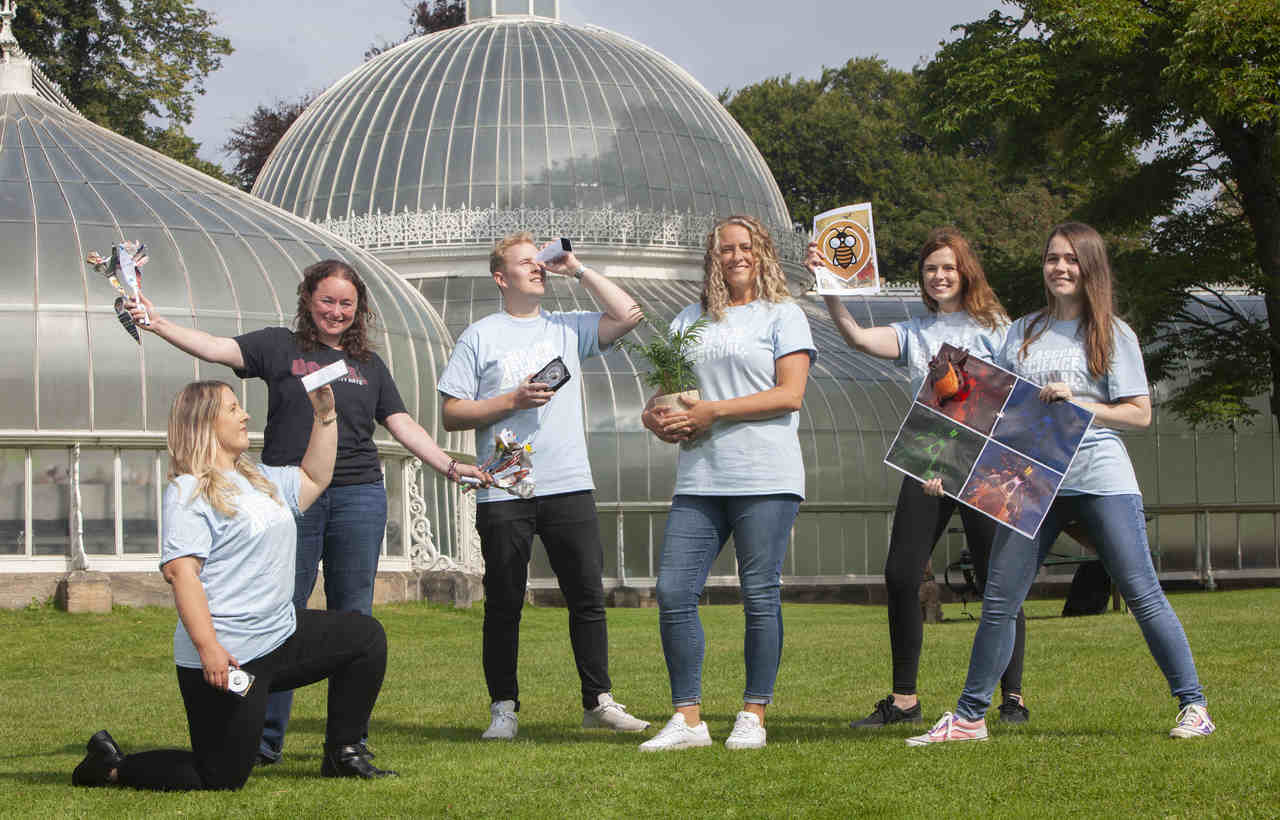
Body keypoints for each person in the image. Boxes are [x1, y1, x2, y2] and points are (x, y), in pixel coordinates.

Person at [126, 259, 488, 765]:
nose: (336, 312)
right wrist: (156, 322)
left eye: (346, 303)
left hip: (357, 494)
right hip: (284, 493)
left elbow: (403, 424)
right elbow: (214, 347)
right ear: (308, 300)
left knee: (353, 614)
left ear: (358, 309)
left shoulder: (371, 366)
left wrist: (450, 466)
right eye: (326, 301)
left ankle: (345, 743)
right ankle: (263, 738)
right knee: (282, 608)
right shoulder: (280, 347)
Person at [907, 222, 1215, 746]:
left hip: (1100, 476)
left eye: (1071, 259)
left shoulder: (1113, 333)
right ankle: (969, 717)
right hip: (1032, 477)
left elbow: (1139, 414)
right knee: (1000, 599)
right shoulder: (1021, 331)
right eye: (1052, 258)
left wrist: (1078, 403)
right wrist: (944, 466)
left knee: (1142, 592)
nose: (1060, 268)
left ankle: (1194, 705)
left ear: (1089, 266)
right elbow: (983, 406)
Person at [72, 380, 396, 790]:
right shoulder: (188, 491)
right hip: (231, 656)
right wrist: (209, 648)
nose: (245, 416)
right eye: (233, 409)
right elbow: (181, 573)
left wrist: (325, 416)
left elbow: (315, 477)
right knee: (221, 776)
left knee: (365, 638)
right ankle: (109, 766)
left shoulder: (258, 479)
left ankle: (343, 754)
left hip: (281, 634)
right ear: (205, 423)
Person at [806, 228, 1030, 728]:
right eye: (931, 269)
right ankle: (904, 701)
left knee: (998, 580)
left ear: (964, 271)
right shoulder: (914, 330)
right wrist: (830, 291)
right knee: (902, 573)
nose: (940, 276)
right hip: (929, 461)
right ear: (922, 278)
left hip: (987, 463)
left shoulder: (997, 327)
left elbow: (1019, 396)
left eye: (948, 267)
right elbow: (859, 338)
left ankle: (1011, 697)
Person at [437, 232, 649, 740]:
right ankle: (503, 709)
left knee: (586, 597)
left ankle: (598, 701)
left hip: (569, 482)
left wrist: (576, 269)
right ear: (499, 277)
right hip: (504, 486)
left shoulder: (566, 328)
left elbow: (630, 314)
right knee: (505, 600)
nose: (537, 269)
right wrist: (511, 401)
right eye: (525, 263)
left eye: (541, 262)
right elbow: (450, 413)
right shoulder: (480, 336)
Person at [638, 214, 815, 751]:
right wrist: (656, 418)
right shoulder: (687, 320)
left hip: (765, 475)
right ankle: (688, 721)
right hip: (699, 478)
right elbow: (669, 397)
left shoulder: (784, 315)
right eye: (724, 250)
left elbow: (789, 395)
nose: (735, 257)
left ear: (762, 253)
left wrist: (712, 411)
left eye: (745, 247)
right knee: (673, 592)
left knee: (759, 595)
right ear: (711, 258)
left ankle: (753, 713)